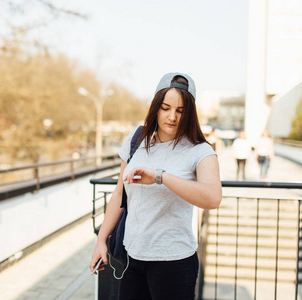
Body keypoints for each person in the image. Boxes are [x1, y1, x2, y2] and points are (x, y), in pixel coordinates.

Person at [89, 72, 222, 300]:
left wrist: (161, 177)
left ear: (190, 113)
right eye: (165, 107)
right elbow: (120, 194)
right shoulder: (136, 139)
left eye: (180, 111)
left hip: (174, 263)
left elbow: (212, 198)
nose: (172, 117)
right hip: (133, 258)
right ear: (155, 107)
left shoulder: (199, 150)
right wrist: (101, 240)